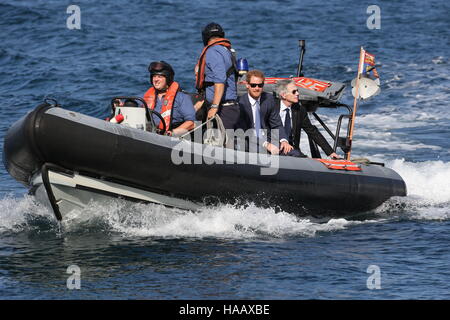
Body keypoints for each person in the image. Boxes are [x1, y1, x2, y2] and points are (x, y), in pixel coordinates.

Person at [274, 80, 340, 159]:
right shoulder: (271, 108)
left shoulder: (299, 110)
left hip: (293, 151)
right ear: (284, 95)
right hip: (274, 147)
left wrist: (330, 152)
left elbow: (311, 131)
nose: (297, 94)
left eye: (297, 91)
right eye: (294, 92)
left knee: (303, 158)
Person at [238, 70, 297, 156]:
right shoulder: (240, 103)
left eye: (260, 85)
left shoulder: (269, 99)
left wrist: (284, 140)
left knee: (294, 153)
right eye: (253, 85)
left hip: (269, 139)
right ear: (247, 85)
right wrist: (266, 144)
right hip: (249, 141)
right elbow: (245, 132)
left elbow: (276, 124)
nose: (257, 88)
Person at [195, 22, 240, 134]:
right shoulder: (225, 50)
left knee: (219, 147)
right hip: (228, 107)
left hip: (223, 110)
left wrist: (214, 107)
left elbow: (220, 81)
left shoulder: (212, 51)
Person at [144, 61, 196, 136]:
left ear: (168, 79)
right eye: (154, 76)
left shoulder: (182, 98)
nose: (156, 79)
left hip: (171, 137)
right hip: (150, 134)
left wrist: (173, 133)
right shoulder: (146, 97)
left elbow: (192, 123)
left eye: (160, 76)